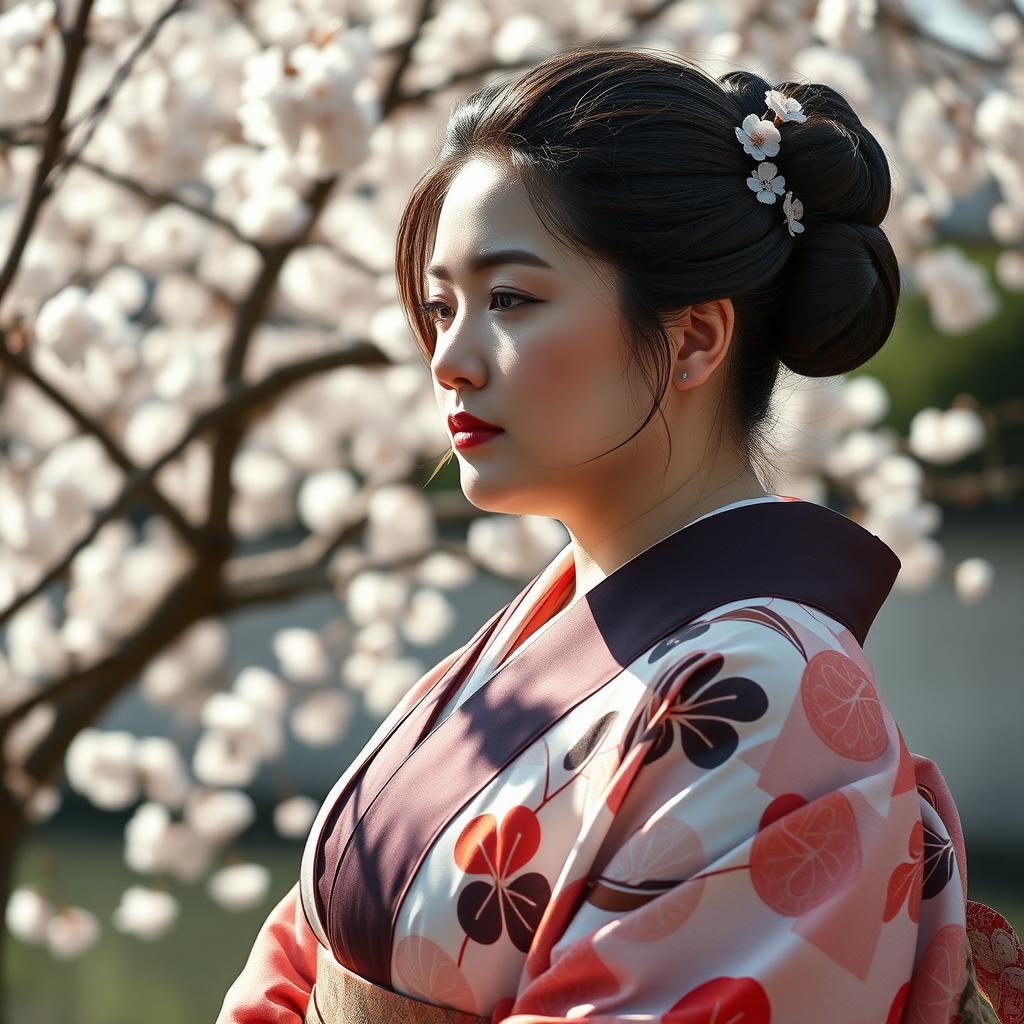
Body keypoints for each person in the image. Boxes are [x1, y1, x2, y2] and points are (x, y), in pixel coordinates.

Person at [216, 46, 1022, 1024]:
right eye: (440, 307)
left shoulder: (775, 699)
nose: (451, 361)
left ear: (693, 338)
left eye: (509, 298)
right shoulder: (549, 634)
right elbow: (302, 949)